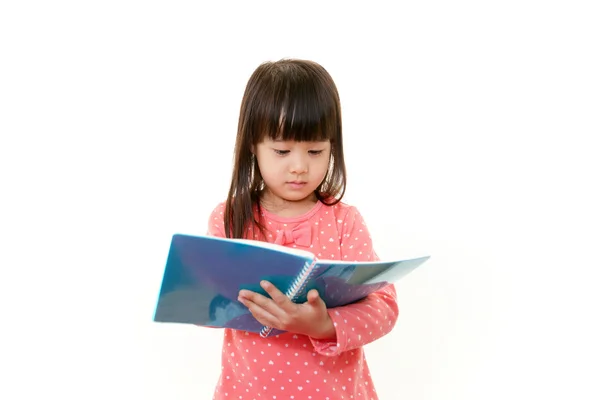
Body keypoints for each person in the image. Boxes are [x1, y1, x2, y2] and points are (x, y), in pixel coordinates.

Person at [205, 58, 398, 400]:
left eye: (315, 150)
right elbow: (205, 304)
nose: (299, 166)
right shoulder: (229, 219)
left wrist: (322, 325)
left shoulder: (343, 221)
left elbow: (383, 307)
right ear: (253, 144)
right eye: (281, 150)